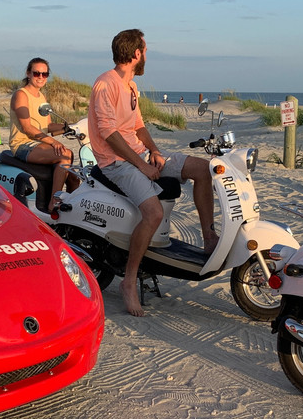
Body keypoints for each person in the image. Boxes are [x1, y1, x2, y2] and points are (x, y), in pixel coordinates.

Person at [88, 29, 219, 317]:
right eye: (145, 50)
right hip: (116, 163)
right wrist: (142, 165)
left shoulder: (131, 86)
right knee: (153, 213)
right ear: (136, 53)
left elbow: (138, 125)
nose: (146, 55)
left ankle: (209, 238)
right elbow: (109, 134)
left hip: (139, 155)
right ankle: (130, 282)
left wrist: (155, 152)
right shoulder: (105, 84)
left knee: (204, 169)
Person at [8, 58, 77, 211]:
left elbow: (48, 126)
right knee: (65, 155)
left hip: (38, 143)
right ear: (28, 73)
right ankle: (54, 202)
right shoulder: (21, 95)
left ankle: (72, 211)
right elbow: (27, 127)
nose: (40, 77)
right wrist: (53, 142)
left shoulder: (41, 97)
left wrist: (71, 127)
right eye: (37, 73)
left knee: (73, 175)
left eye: (45, 74)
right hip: (22, 144)